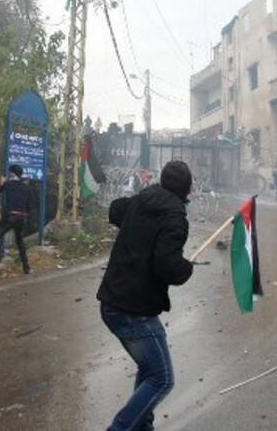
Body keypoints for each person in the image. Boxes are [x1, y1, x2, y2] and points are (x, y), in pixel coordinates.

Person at [97, 160, 195, 431]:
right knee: (162, 378)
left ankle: (142, 426)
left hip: (113, 302)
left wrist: (138, 210)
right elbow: (168, 267)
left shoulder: (144, 200)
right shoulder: (174, 215)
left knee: (149, 367)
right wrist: (186, 268)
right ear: (187, 189)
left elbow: (116, 209)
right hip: (133, 311)